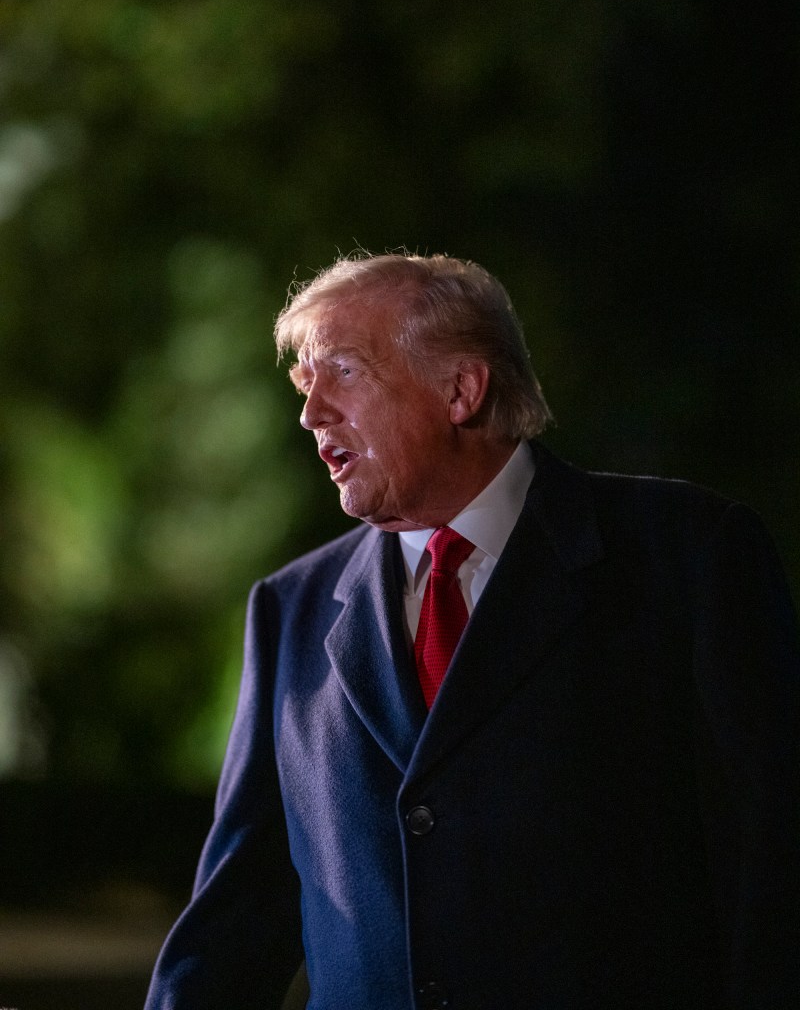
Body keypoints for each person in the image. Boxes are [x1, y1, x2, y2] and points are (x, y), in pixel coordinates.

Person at [145, 252, 799, 1010]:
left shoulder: (687, 555)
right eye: (304, 383)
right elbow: (235, 920)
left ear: (460, 389)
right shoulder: (288, 608)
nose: (311, 412)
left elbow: (772, 868)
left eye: (344, 372)